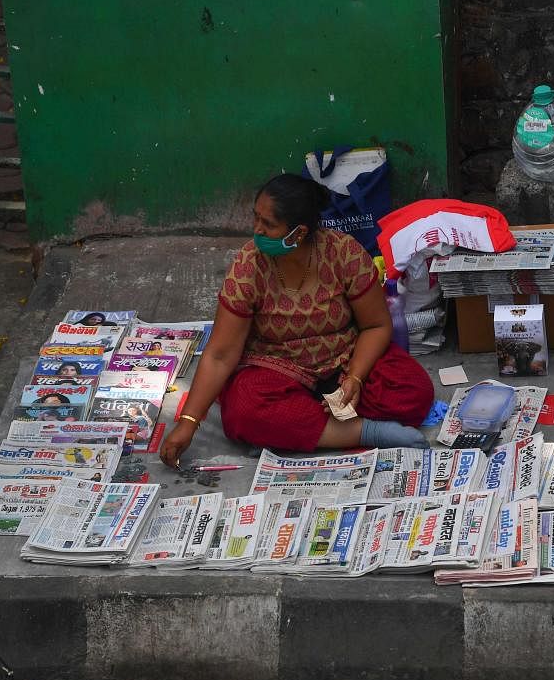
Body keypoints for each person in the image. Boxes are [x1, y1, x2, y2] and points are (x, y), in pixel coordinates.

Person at [160, 173, 434, 467]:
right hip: (278, 369)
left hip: (343, 357)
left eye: (268, 225)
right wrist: (189, 421)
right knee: (243, 409)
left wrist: (354, 377)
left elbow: (376, 326)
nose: (257, 231)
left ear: (298, 233)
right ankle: (365, 431)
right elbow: (220, 354)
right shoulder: (248, 266)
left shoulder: (344, 253)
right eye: (256, 219)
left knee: (412, 390)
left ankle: (292, 432)